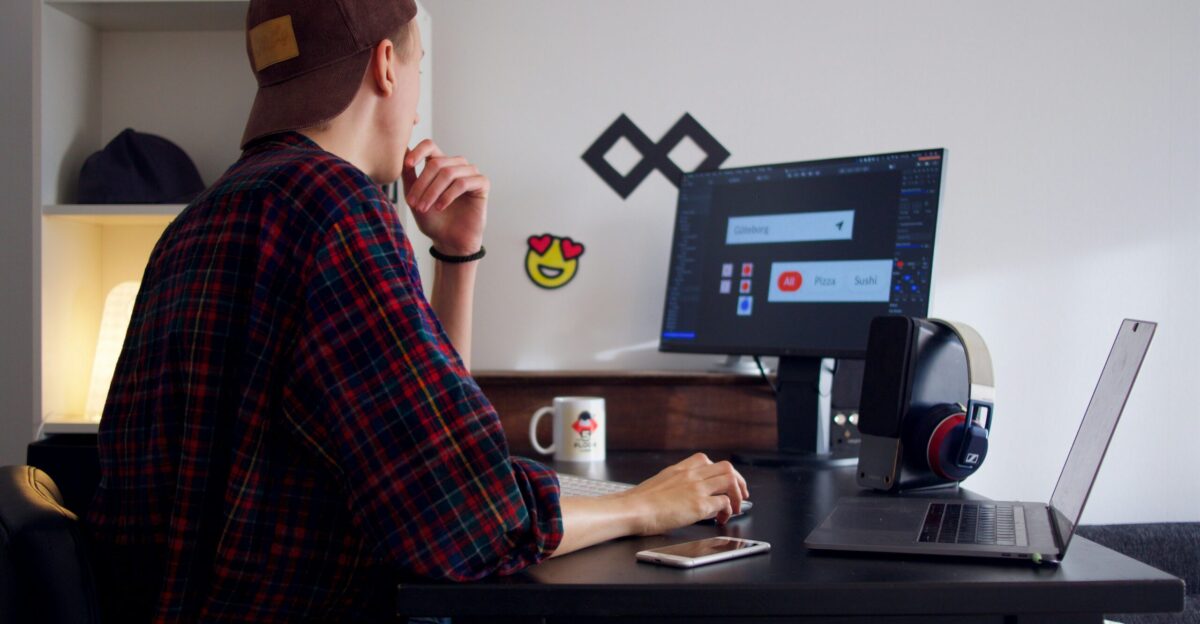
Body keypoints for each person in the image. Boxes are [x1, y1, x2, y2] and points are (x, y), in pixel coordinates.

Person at [87, 0, 749, 621]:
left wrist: (456, 258)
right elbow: (468, 522)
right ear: (385, 65)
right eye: (418, 69)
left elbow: (431, 438)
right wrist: (643, 506)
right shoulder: (334, 208)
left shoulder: (203, 214)